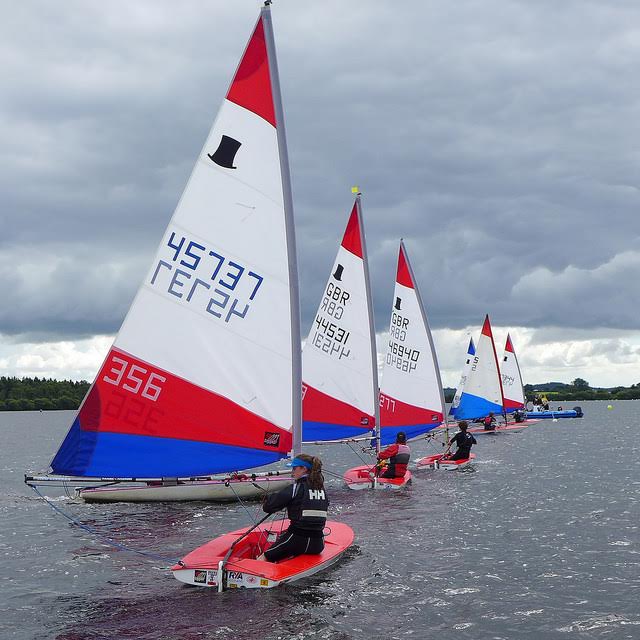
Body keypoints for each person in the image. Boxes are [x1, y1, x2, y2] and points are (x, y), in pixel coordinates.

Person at [258, 453, 328, 563]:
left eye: (294, 468)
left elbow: (268, 507)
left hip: (296, 540)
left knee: (264, 557)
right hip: (318, 543)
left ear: (304, 469)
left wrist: (269, 499)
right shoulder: (321, 489)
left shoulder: (296, 487)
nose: (292, 472)